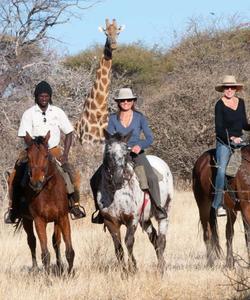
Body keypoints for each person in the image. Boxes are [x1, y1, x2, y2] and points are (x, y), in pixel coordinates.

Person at [4, 81, 86, 223]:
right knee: (14, 176)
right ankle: (14, 209)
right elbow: (24, 134)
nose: (43, 98)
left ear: (50, 97)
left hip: (52, 149)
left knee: (72, 174)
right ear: (36, 96)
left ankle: (75, 206)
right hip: (33, 150)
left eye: (46, 96)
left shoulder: (57, 112)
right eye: (41, 96)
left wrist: (65, 153)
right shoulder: (28, 113)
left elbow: (69, 132)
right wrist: (34, 149)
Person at [91, 87, 167, 224]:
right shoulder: (113, 118)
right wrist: (114, 147)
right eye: (122, 100)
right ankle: (100, 211)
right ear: (118, 102)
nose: (126, 102)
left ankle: (158, 207)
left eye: (128, 100)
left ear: (133, 101)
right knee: (95, 178)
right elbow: (110, 138)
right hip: (118, 154)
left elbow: (150, 138)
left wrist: (140, 146)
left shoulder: (140, 117)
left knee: (151, 177)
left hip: (135, 153)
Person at [213, 75, 250, 216]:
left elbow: (244, 125)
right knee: (222, 170)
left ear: (236, 89)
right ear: (223, 89)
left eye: (232, 87)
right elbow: (219, 128)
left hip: (240, 142)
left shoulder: (240, 102)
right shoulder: (219, 105)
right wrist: (231, 138)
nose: (229, 89)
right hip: (224, 143)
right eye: (226, 87)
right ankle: (219, 204)